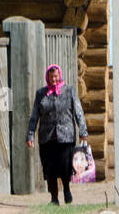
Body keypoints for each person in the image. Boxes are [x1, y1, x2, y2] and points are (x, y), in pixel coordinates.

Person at [26, 64, 90, 205]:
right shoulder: (41, 94)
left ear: (59, 76)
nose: (54, 79)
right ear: (47, 78)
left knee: (65, 166)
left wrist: (83, 131)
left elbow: (78, 111)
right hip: (47, 138)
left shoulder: (69, 91)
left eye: (56, 76)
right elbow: (34, 115)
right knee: (50, 169)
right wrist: (30, 134)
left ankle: (67, 190)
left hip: (65, 137)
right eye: (51, 77)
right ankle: (54, 198)